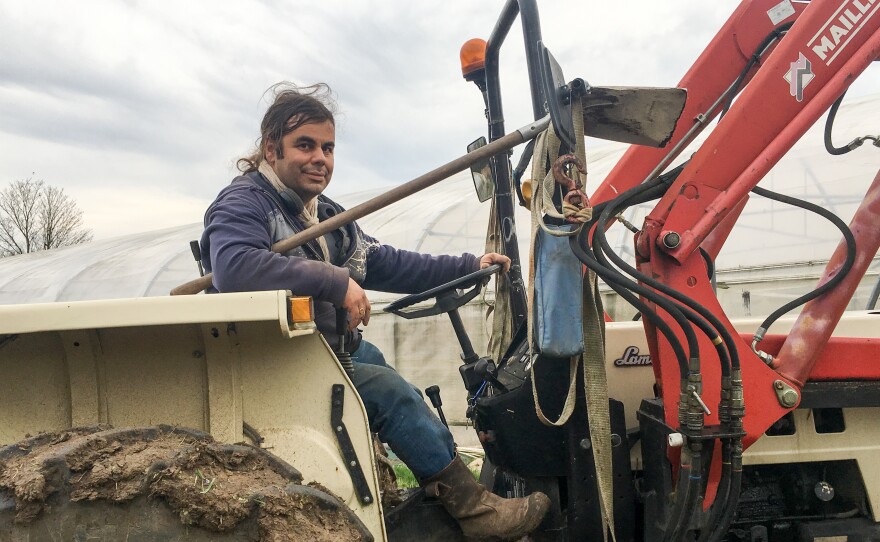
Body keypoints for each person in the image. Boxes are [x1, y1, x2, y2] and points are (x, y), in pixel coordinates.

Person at [200, 83, 549, 540]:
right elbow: (235, 267)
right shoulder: (245, 202)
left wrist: (467, 266)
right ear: (271, 148)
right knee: (389, 392)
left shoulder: (321, 213)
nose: (319, 157)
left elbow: (383, 261)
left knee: (385, 372)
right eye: (304, 145)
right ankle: (475, 512)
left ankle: (429, 487)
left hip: (322, 351)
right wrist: (335, 281)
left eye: (327, 147)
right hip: (272, 360)